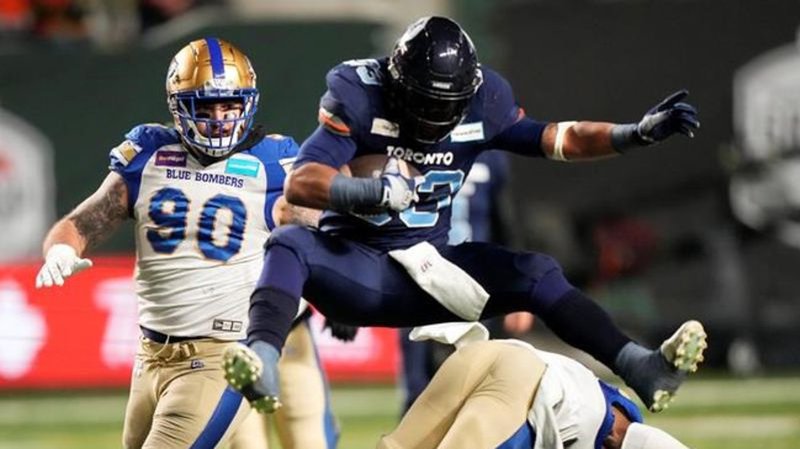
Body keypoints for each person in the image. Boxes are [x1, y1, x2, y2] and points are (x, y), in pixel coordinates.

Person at [223, 16, 703, 416]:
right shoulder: (360, 93)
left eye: (447, 104)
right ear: (396, 84)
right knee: (289, 244)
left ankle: (640, 365)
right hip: (357, 271)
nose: (435, 114)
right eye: (424, 101)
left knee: (537, 272)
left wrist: (633, 134)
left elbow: (560, 138)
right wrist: (371, 192)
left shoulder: (486, 100)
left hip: (432, 273)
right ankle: (263, 355)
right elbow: (302, 182)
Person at [34, 37, 337, 449]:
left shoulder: (274, 165)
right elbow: (84, 221)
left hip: (223, 356)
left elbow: (329, 233)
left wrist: (346, 293)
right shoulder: (148, 154)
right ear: (178, 107)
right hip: (150, 357)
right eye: (205, 108)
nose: (219, 119)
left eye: (229, 106)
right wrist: (62, 248)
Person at [379, 321, 700, 449]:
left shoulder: (607, 399)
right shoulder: (606, 427)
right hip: (524, 387)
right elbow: (632, 439)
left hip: (487, 353)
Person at [399, 150, 534, 412]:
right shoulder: (415, 144)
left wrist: (519, 292)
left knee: (476, 391)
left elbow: (506, 223)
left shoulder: (490, 154)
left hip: (473, 289)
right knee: (419, 394)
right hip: (420, 283)